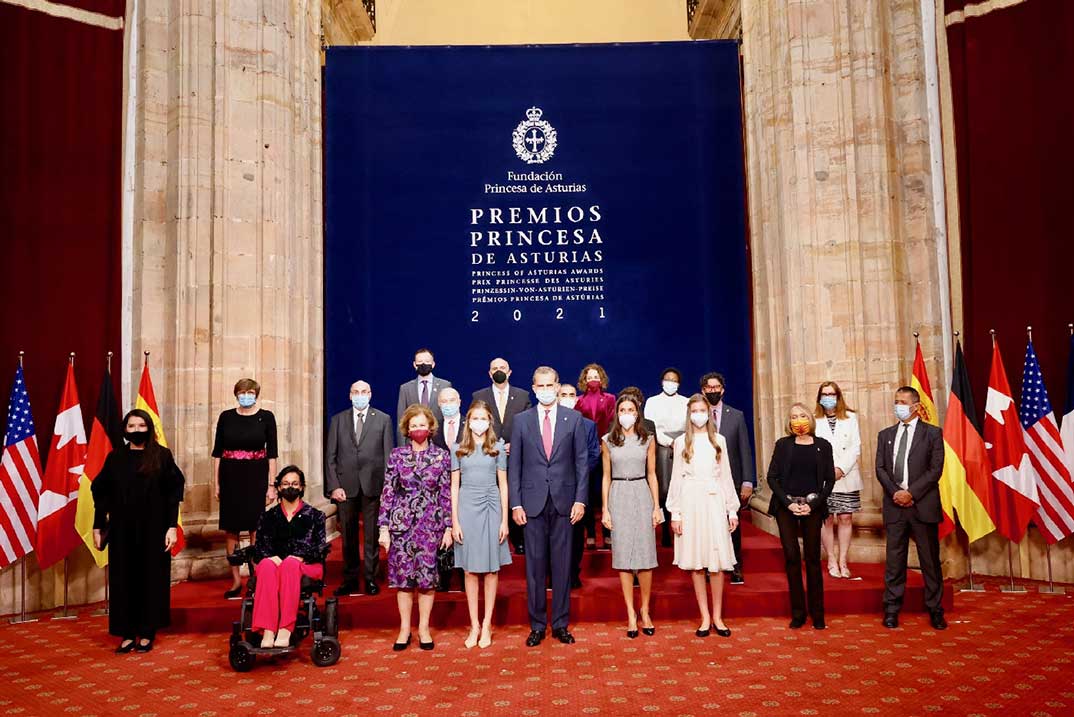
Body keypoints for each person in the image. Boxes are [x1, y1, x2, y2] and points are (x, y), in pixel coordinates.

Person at [92, 409, 185, 653]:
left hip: (155, 530)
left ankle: (146, 632)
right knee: (123, 580)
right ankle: (126, 633)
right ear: (125, 430)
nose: (136, 430)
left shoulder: (162, 456)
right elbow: (99, 492)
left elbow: (173, 494)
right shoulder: (115, 458)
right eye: (131, 426)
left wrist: (172, 527)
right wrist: (98, 525)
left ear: (149, 428)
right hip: (122, 531)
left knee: (150, 580)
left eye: (141, 425)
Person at [508, 366, 589, 646]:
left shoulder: (574, 419)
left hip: (566, 503)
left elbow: (581, 463)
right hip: (531, 504)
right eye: (539, 386)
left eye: (549, 385)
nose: (545, 390)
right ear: (533, 388)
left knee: (563, 566)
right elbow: (514, 466)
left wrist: (581, 499)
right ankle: (537, 625)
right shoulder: (521, 421)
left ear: (557, 387)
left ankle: (561, 624)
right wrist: (515, 503)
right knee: (534, 567)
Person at [378, 404, 453, 650]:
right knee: (404, 580)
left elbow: (445, 494)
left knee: (426, 579)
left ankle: (423, 628)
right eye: (414, 426)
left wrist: (448, 527)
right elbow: (388, 490)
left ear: (430, 428)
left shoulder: (442, 456)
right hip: (402, 525)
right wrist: (384, 527)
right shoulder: (397, 455)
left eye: (422, 425)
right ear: (407, 429)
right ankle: (403, 629)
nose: (418, 429)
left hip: (430, 525)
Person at [666, 394, 739, 638]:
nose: (698, 414)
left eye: (702, 410)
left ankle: (718, 616)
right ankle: (705, 617)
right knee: (697, 562)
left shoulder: (719, 440)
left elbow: (726, 475)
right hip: (690, 502)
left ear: (708, 413)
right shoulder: (680, 443)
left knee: (716, 562)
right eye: (694, 410)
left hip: (714, 500)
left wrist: (732, 509)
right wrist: (675, 512)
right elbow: (676, 478)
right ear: (689, 414)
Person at [875, 386, 946, 630]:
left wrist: (911, 493)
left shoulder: (933, 434)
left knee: (929, 560)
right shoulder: (885, 435)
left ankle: (936, 609)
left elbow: (935, 470)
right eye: (896, 401)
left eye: (903, 401)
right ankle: (891, 610)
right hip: (895, 506)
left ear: (915, 406)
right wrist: (896, 493)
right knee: (895, 561)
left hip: (922, 504)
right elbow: (880, 469)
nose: (898, 405)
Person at [765, 403, 836, 630]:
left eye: (802, 416)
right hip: (786, 507)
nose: (798, 420)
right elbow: (772, 477)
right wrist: (788, 503)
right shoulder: (783, 445)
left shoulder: (823, 446)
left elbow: (829, 480)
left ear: (810, 419)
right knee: (792, 557)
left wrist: (813, 504)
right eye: (794, 416)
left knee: (813, 559)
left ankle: (818, 614)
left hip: (812, 507)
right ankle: (798, 613)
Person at [450, 400, 511, 648]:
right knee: (469, 569)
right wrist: (454, 521)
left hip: (491, 506)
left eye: (483, 418)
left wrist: (505, 520)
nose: (478, 422)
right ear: (468, 422)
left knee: (491, 568)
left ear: (489, 422)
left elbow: (503, 485)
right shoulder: (458, 449)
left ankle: (487, 624)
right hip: (466, 507)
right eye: (474, 418)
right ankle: (473, 624)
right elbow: (454, 487)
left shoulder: (496, 448)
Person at [325, 380, 394, 596]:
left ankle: (370, 578)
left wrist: (387, 488)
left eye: (364, 392)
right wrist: (334, 486)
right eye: (356, 392)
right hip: (345, 488)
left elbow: (388, 456)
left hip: (373, 486)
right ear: (350, 395)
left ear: (371, 394)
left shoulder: (383, 419)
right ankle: (350, 579)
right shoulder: (338, 420)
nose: (360, 395)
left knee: (372, 536)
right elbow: (331, 457)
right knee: (348, 536)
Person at [601, 394, 662, 638]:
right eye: (622, 409)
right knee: (624, 557)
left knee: (646, 557)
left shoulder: (648, 439)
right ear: (617, 413)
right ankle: (630, 613)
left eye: (630, 409)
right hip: (618, 494)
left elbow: (652, 474)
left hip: (641, 493)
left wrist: (657, 507)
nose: (626, 413)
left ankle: (645, 609)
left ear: (637, 413)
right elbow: (605, 476)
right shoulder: (608, 440)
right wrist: (605, 509)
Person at [213, 378, 278, 598]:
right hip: (230, 475)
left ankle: (256, 578)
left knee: (255, 529)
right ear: (236, 394)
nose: (246, 395)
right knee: (231, 529)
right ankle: (235, 581)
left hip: (256, 475)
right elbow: (217, 453)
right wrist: (217, 483)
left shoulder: (266, 417)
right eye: (242, 392)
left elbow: (272, 454)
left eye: (250, 392)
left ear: (257, 394)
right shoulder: (226, 417)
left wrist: (271, 486)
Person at [249, 466, 328, 648]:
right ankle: (268, 630)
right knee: (268, 565)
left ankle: (285, 628)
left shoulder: (316, 516)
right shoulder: (268, 517)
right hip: (274, 565)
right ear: (278, 488)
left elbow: (319, 547)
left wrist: (299, 556)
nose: (289, 487)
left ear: (301, 487)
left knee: (290, 564)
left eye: (294, 484)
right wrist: (271, 557)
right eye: (285, 484)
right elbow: (260, 547)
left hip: (306, 566)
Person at [472, 357, 532, 555]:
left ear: (510, 372)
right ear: (489, 373)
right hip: (489, 454)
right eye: (495, 368)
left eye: (503, 368)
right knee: (493, 496)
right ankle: (493, 538)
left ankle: (518, 538)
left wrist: (516, 444)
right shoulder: (479, 395)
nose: (499, 371)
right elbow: (476, 422)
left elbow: (528, 425)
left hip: (516, 455)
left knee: (515, 495)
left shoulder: (522, 395)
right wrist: (491, 444)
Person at [700, 372, 754, 584]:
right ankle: (707, 565)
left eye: (716, 387)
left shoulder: (736, 415)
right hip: (705, 480)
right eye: (708, 388)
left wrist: (747, 481)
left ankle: (735, 565)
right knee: (708, 525)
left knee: (732, 525)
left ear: (722, 390)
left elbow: (744, 450)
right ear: (703, 391)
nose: (713, 391)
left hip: (732, 479)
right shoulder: (698, 415)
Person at [813, 381, 862, 579]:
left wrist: (841, 469)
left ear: (838, 396)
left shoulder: (851, 418)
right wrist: (827, 471)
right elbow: (813, 448)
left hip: (846, 475)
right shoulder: (814, 420)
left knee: (845, 517)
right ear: (819, 398)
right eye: (824, 394)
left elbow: (855, 446)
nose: (828, 397)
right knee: (827, 519)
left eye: (832, 394)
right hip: (823, 478)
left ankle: (843, 560)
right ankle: (831, 559)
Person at [561, 383, 602, 589]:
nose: (567, 398)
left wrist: (579, 473)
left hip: (578, 487)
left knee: (576, 535)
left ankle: (573, 573)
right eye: (563, 394)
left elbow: (594, 454)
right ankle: (556, 574)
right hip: (555, 489)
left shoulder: (588, 425)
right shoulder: (546, 424)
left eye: (570, 395)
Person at [643, 368, 688, 546]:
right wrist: (669, 442)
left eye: (674, 380)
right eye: (667, 379)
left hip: (683, 446)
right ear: (662, 382)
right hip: (661, 447)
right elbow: (652, 427)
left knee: (681, 488)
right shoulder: (653, 402)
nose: (671, 383)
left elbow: (688, 426)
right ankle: (664, 528)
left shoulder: (686, 402)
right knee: (662, 490)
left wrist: (680, 442)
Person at [576, 363, 616, 549]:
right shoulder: (579, 401)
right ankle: (591, 533)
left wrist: (604, 444)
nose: (593, 379)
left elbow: (611, 422)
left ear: (602, 379)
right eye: (589, 376)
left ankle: (607, 532)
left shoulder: (609, 399)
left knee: (606, 491)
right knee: (590, 493)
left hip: (606, 448)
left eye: (596, 376)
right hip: (587, 451)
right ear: (584, 380)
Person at [431, 387, 464, 591]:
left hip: (466, 488)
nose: (448, 404)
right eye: (444, 401)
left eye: (452, 400)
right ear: (439, 404)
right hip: (440, 490)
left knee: (463, 533)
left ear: (459, 401)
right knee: (441, 532)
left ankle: (462, 575)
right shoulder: (434, 429)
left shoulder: (471, 427)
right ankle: (443, 577)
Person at [396, 348, 453, 444]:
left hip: (439, 442)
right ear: (414, 364)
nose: (423, 364)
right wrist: (402, 447)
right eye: (420, 361)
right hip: (412, 443)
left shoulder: (445, 385)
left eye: (427, 361)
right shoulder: (405, 388)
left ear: (433, 364)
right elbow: (401, 420)